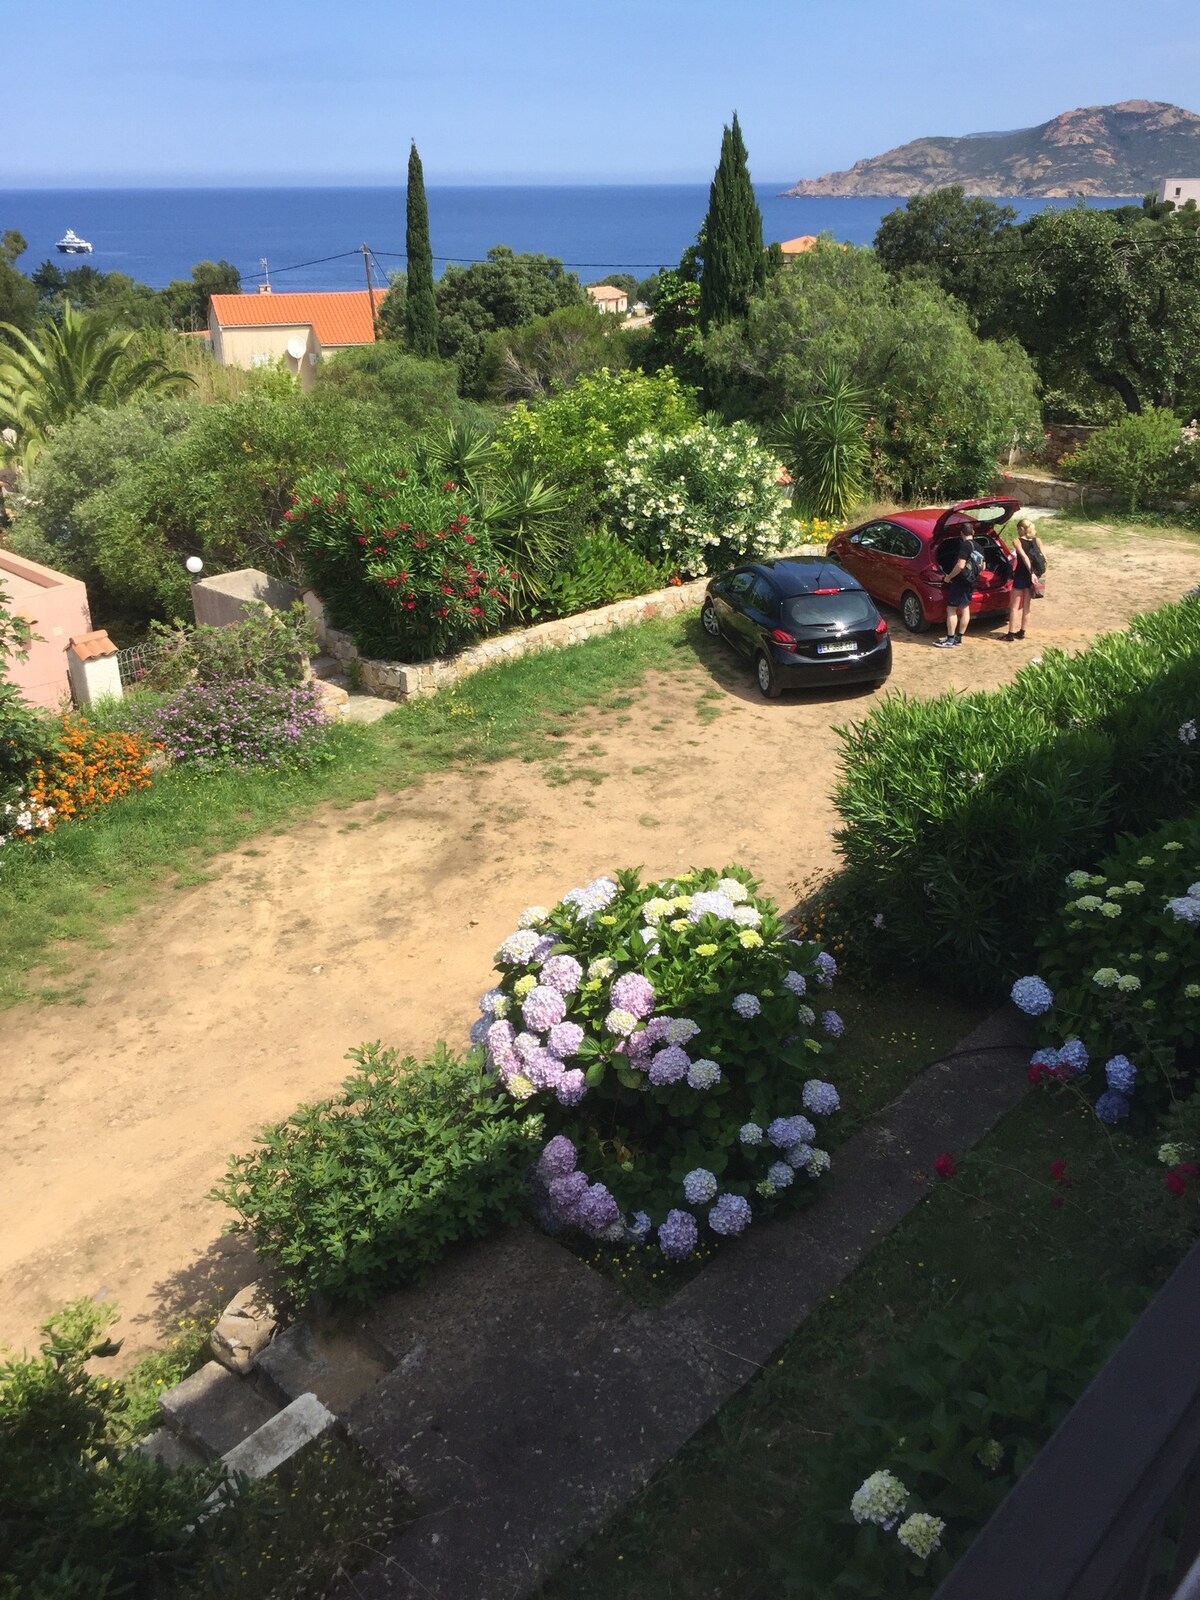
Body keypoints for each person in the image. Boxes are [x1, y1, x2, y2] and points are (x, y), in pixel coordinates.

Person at [934, 524, 981, 648]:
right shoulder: (979, 547)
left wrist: (949, 577)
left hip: (960, 581)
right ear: (973, 532)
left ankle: (950, 639)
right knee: (965, 608)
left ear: (961, 533)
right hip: (972, 581)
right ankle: (959, 637)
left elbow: (960, 565)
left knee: (951, 609)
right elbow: (984, 566)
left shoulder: (964, 546)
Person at [1004, 518, 1042, 640]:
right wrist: (1036, 574)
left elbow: (1024, 557)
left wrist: (1030, 572)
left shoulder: (1017, 541)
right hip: (1034, 577)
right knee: (1027, 605)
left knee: (1014, 606)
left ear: (1021, 529)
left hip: (1021, 575)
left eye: (1018, 529)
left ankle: (1010, 634)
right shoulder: (1038, 541)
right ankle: (1022, 632)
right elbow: (1043, 558)